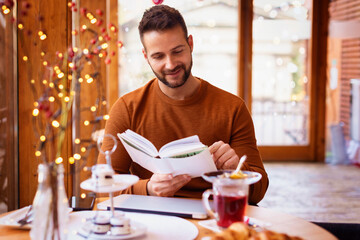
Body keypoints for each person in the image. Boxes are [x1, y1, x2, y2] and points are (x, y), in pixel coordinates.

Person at [98, 4, 268, 204]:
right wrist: (148, 188)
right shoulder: (127, 108)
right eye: (158, 56)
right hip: (152, 216)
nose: (170, 64)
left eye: (177, 51)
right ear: (146, 57)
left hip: (214, 216)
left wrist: (236, 170)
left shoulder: (233, 108)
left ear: (190, 44)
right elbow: (102, 186)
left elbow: (259, 192)